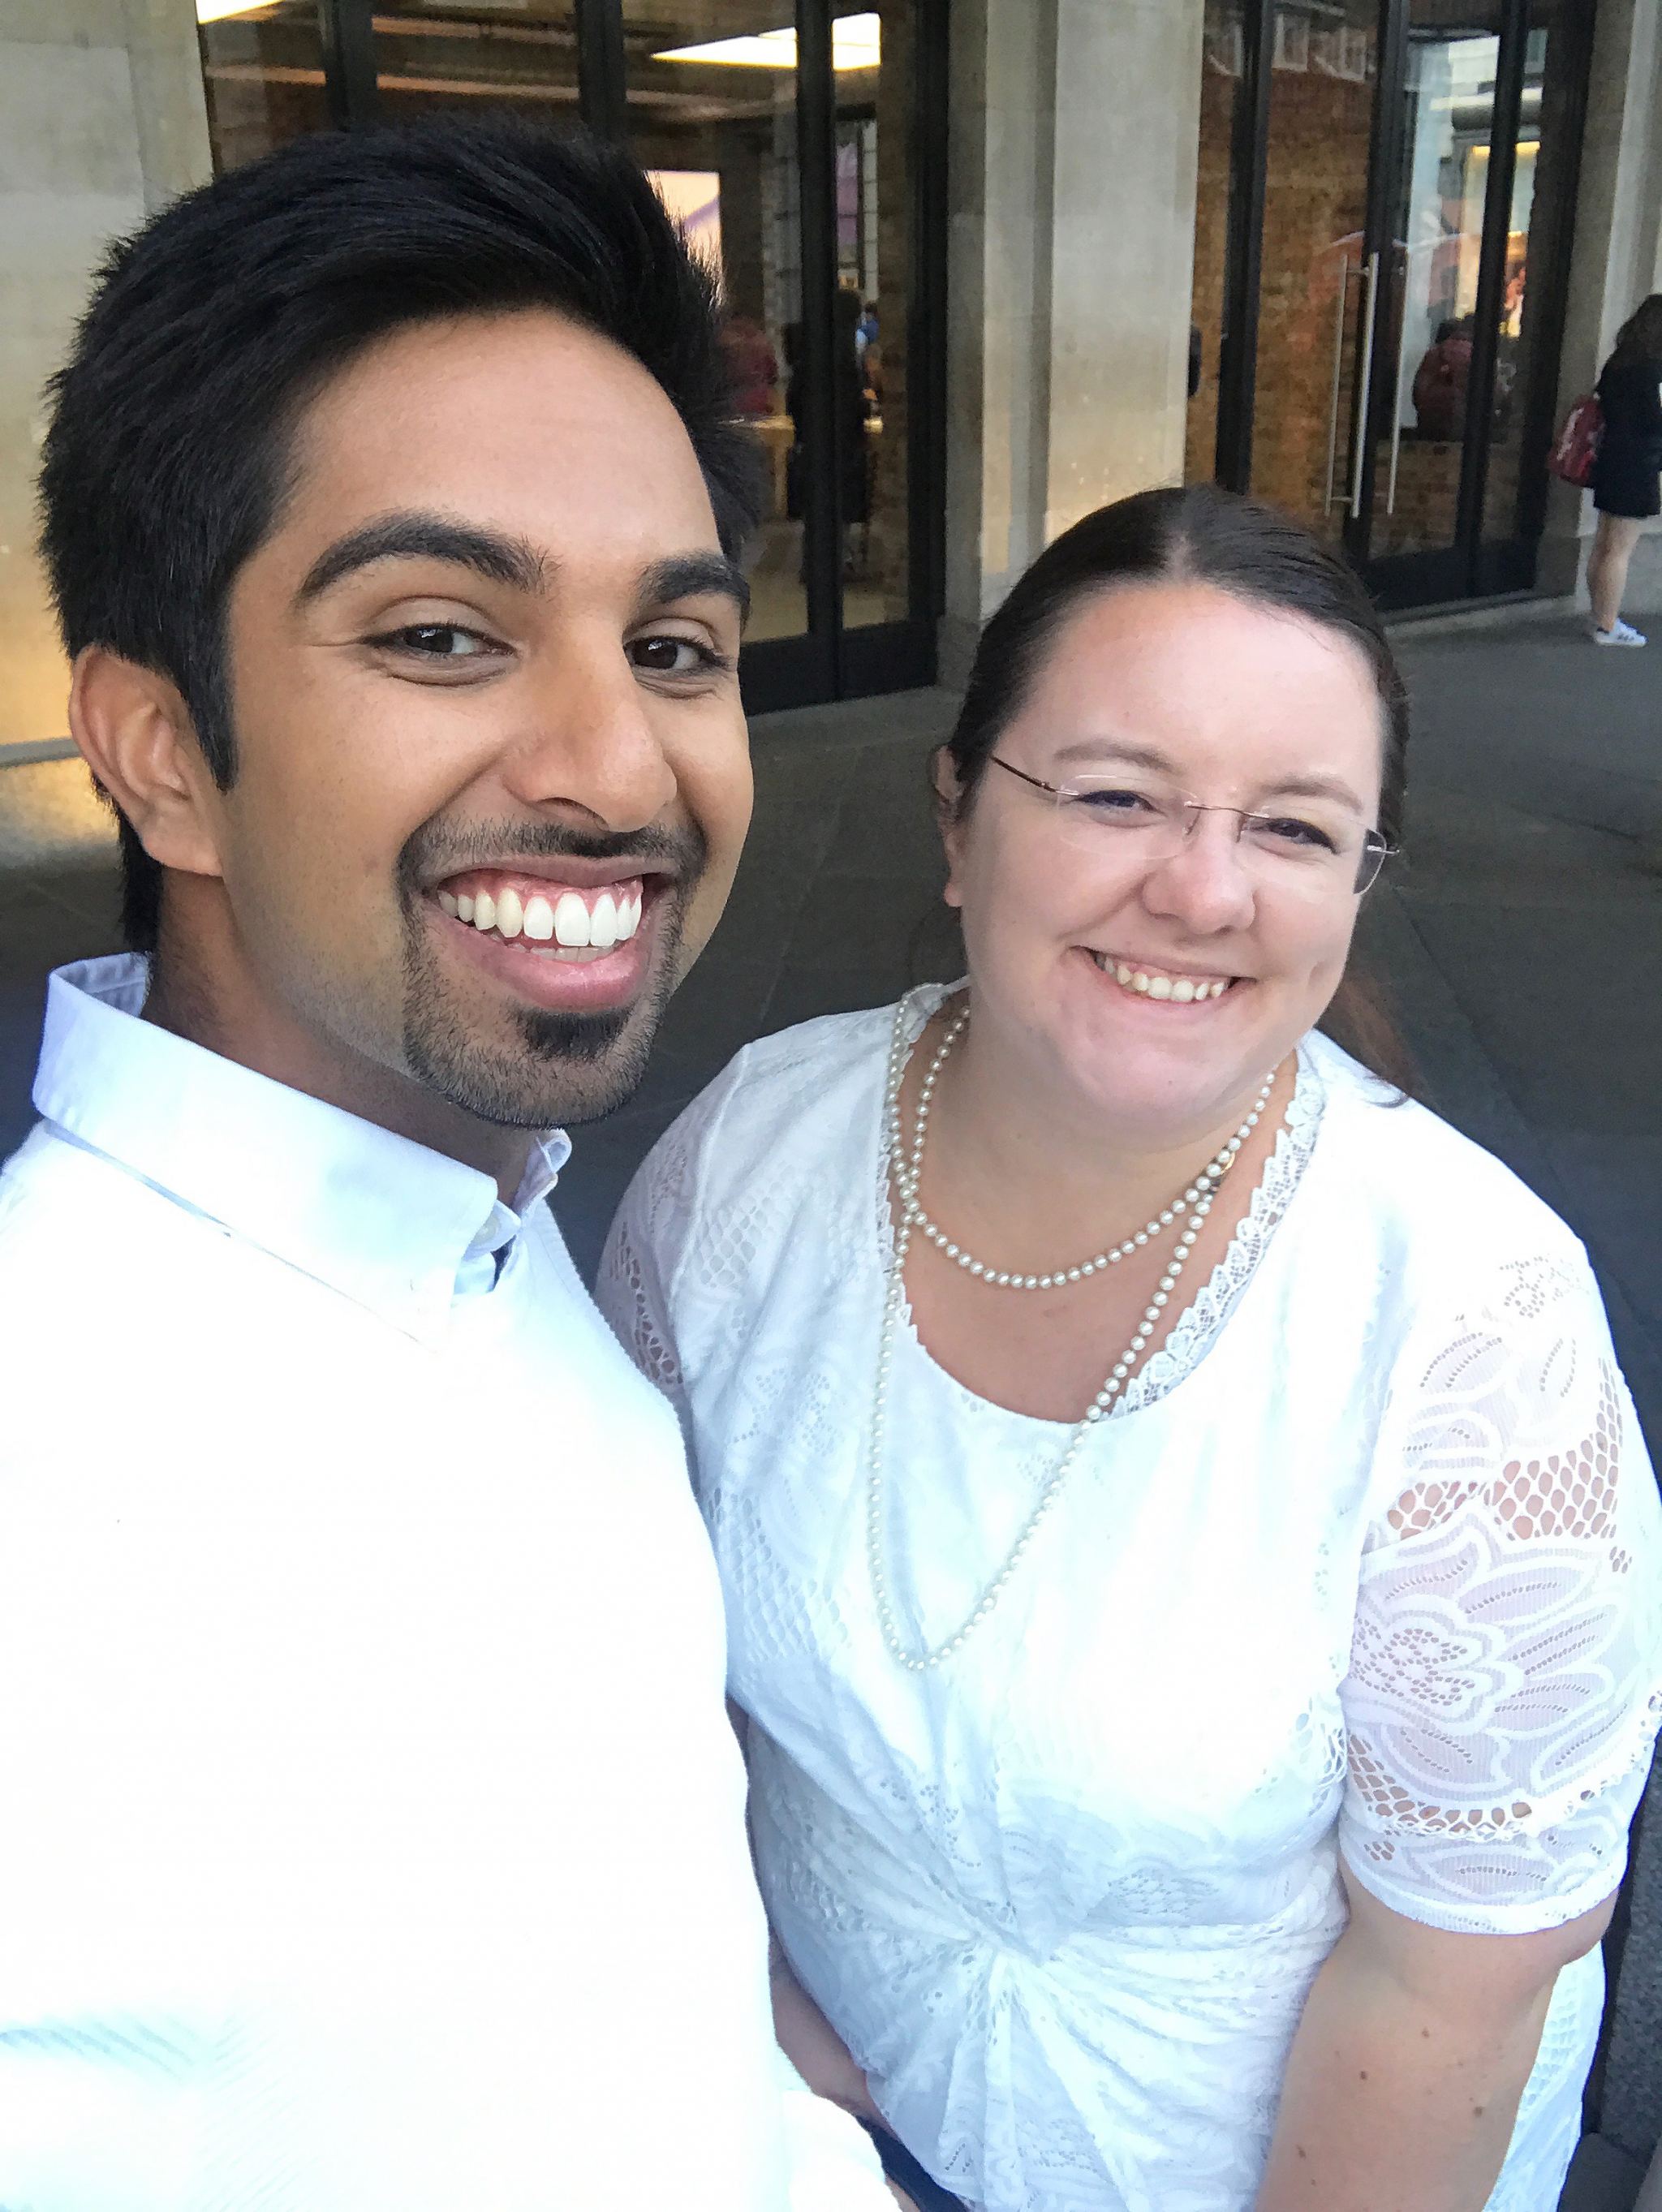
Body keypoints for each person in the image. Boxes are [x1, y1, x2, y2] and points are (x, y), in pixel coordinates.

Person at [0, 119, 906, 2211]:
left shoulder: (496, 1221)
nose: (614, 766)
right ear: (155, 749)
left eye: (675, 648)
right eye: (438, 632)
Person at [601, 484, 1662, 2212]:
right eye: (1114, 795)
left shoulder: (1470, 1331)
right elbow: (622, 1645)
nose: (1201, 888)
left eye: (1299, 830)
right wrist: (754, 2005)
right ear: (958, 818)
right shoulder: (750, 1163)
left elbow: (1452, 1990)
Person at [1587, 292, 1662, 645]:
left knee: (1603, 544)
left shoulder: (1618, 363)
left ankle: (1599, 615)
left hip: (1611, 457)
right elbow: (1654, 420)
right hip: (1638, 463)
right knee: (1620, 549)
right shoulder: (1653, 371)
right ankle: (1608, 624)